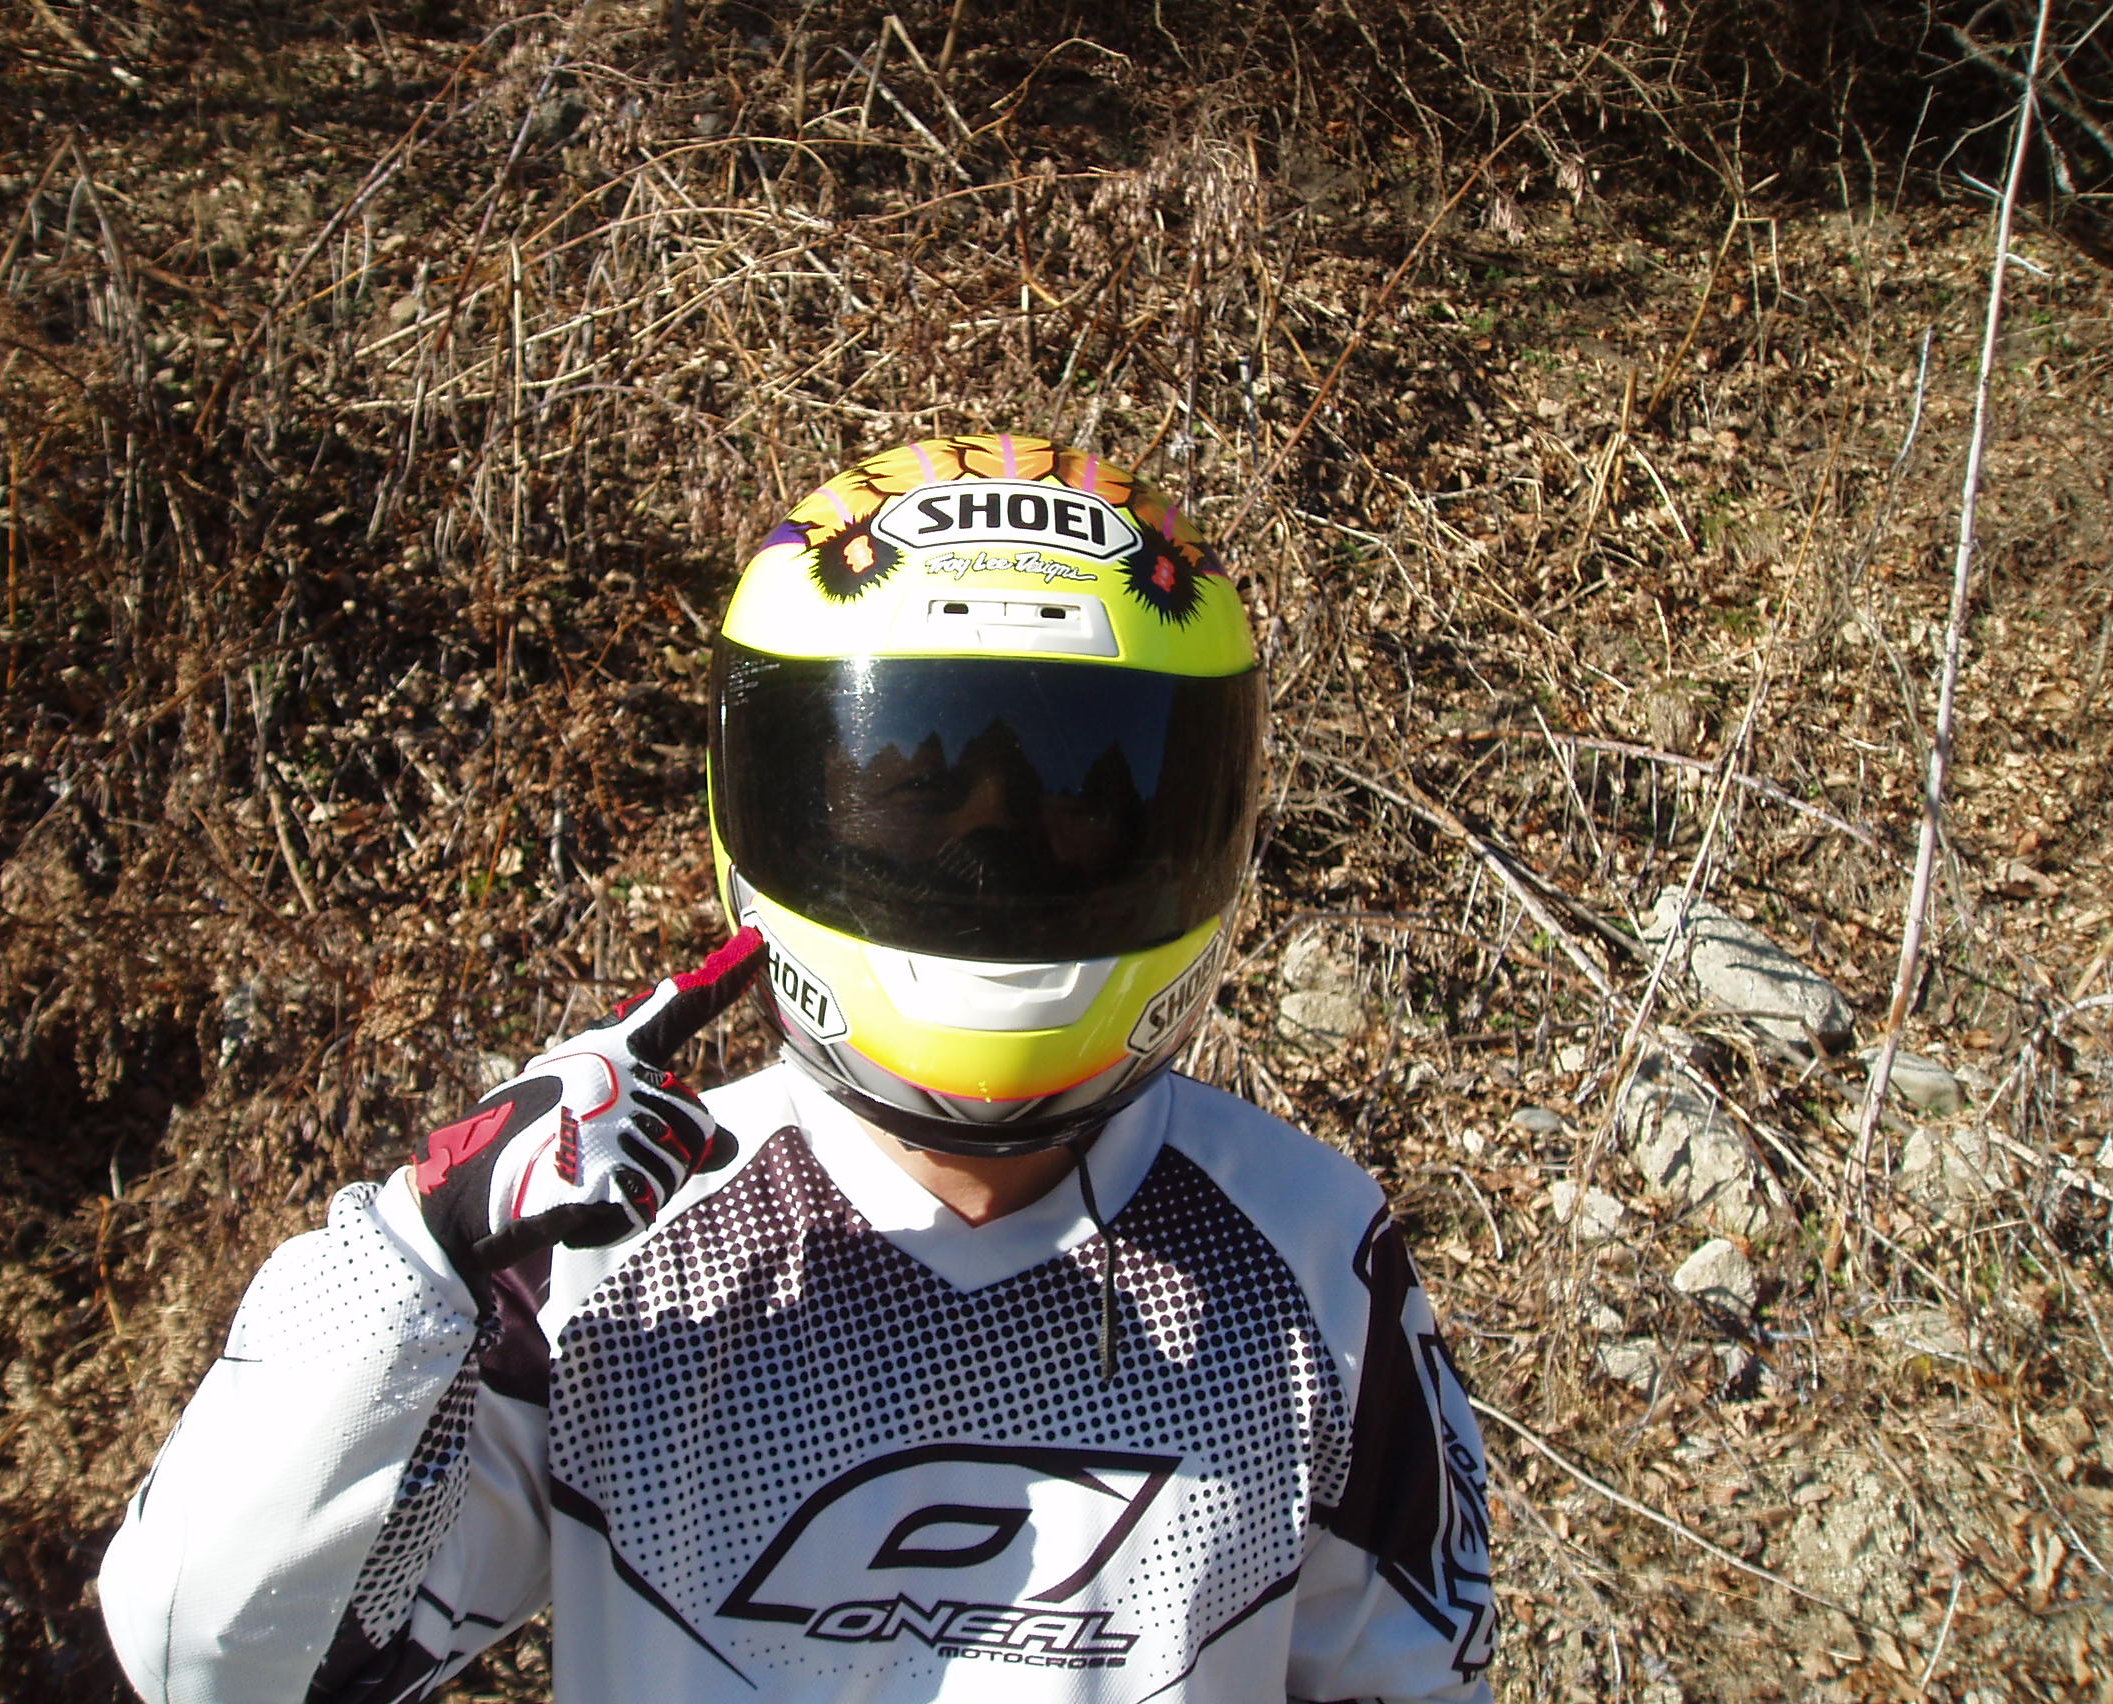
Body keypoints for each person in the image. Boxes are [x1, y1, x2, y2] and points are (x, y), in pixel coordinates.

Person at [100, 433, 1497, 1704]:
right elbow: (208, 1667)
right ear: (778, 796)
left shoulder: (1316, 1256)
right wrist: (414, 1253)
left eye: (1078, 794)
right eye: (915, 789)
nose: (988, 851)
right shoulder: (597, 1244)